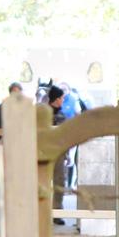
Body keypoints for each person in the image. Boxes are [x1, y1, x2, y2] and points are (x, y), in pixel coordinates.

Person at [45, 86, 69, 225]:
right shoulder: (43, 114)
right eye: (61, 98)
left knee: (60, 183)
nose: (63, 100)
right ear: (56, 98)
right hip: (44, 153)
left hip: (59, 154)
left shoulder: (62, 115)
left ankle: (57, 212)